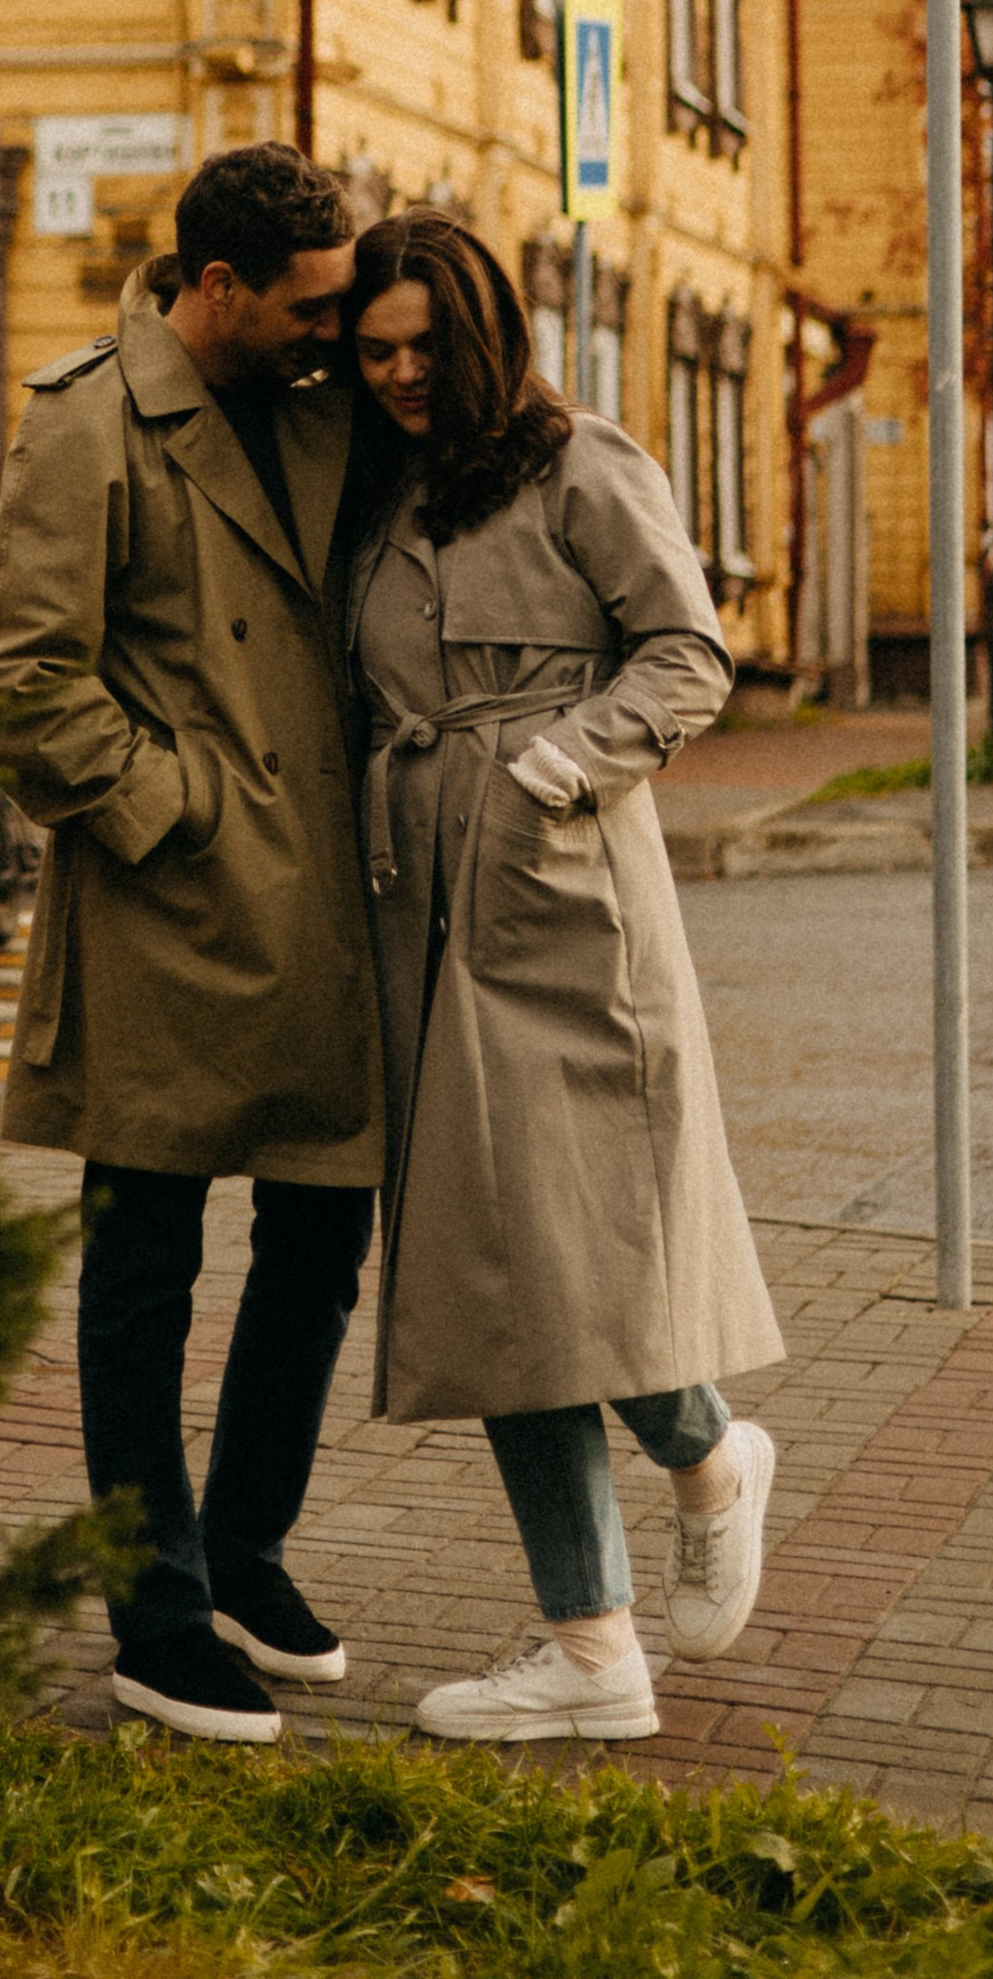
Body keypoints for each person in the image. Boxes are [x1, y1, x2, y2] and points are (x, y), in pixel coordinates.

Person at [343, 209, 782, 1746]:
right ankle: (594, 1644)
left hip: (563, 903)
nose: (400, 374)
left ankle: (707, 1454)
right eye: (373, 350)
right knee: (494, 1276)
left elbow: (689, 656)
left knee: (578, 1256)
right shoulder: (373, 493)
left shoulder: (584, 463)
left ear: (483, 335)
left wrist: (552, 769)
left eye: (423, 345)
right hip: (418, 911)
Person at [0, 143, 377, 1745]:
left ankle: (246, 1557)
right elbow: (11, 676)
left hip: (324, 907)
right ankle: (156, 1614)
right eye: (308, 305)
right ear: (218, 288)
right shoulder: (91, 423)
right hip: (170, 914)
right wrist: (174, 805)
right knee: (145, 1273)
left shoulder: (327, 405)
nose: (333, 331)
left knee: (320, 1245)